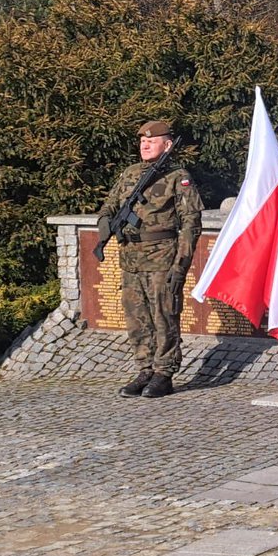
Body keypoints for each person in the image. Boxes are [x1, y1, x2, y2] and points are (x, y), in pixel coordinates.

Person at [96, 121, 203, 398]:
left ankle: (163, 373)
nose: (145, 145)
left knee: (163, 315)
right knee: (137, 317)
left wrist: (181, 264)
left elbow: (191, 224)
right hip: (130, 259)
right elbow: (109, 204)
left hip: (162, 257)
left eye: (151, 141)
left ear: (167, 145)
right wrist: (105, 220)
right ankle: (145, 368)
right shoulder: (131, 174)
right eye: (142, 141)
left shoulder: (178, 178)